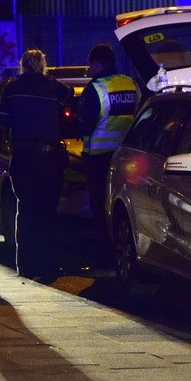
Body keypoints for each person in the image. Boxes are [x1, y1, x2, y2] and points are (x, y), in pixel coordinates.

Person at [0, 49, 74, 281]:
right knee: (48, 213)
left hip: (23, 159)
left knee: (26, 210)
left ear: (22, 66)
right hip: (49, 159)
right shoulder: (53, 87)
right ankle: (48, 267)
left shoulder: (12, 89)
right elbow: (69, 95)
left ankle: (26, 266)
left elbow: (2, 121)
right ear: (42, 66)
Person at [78, 43, 141, 264]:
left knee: (100, 205)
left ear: (97, 64)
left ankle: (105, 253)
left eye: (91, 66)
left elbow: (84, 124)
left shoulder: (95, 88)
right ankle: (122, 251)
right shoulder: (129, 83)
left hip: (98, 157)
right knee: (122, 205)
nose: (90, 70)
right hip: (125, 155)